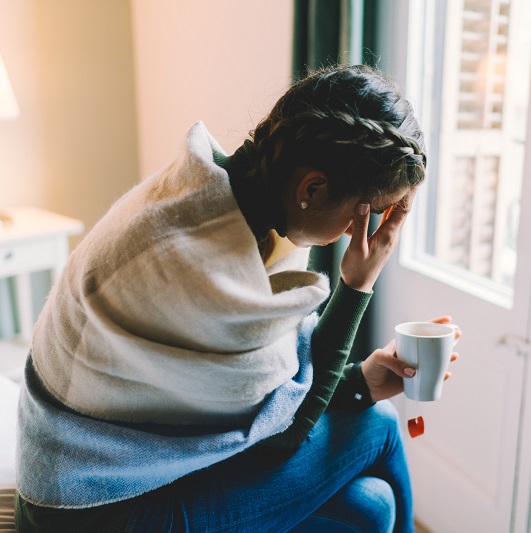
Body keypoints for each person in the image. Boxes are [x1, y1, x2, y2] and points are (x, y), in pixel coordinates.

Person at [15, 64, 456, 533]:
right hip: (93, 508)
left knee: (372, 507)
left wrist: (357, 380)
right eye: (366, 213)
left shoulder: (210, 193)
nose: (359, 232)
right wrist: (358, 284)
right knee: (381, 426)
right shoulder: (208, 270)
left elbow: (265, 390)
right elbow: (282, 435)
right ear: (312, 187)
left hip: (96, 473)